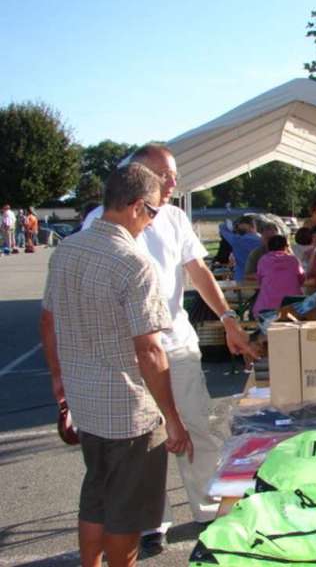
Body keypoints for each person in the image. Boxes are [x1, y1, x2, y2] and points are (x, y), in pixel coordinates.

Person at [83, 143, 257, 555]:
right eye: (167, 176)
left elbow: (198, 271)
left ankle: (211, 508)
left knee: (194, 426)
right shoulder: (100, 220)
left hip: (176, 346)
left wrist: (229, 319)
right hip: (127, 354)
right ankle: (149, 523)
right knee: (143, 443)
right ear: (140, 174)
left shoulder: (177, 217)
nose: (175, 183)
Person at [40, 164, 193, 567]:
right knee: (126, 511)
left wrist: (59, 379)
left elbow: (49, 320)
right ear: (138, 207)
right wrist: (172, 418)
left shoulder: (67, 249)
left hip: (86, 400)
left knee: (96, 497)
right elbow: (151, 352)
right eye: (155, 211)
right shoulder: (133, 262)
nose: (154, 220)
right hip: (128, 411)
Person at [253, 235, 305, 315]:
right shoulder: (293, 260)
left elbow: (260, 280)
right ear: (285, 247)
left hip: (267, 307)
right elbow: (301, 279)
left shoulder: (263, 260)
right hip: (292, 306)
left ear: (268, 247)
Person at [218, 215, 262, 282]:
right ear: (253, 226)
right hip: (261, 278)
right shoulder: (262, 240)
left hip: (241, 278)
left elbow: (222, 226)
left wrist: (232, 227)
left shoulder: (236, 239)